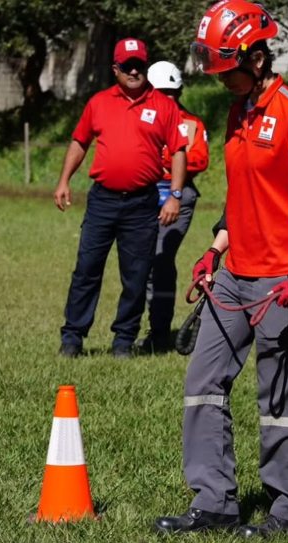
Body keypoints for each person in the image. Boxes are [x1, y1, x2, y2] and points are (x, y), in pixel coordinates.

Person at [156, 0, 288, 538]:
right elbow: (243, 196)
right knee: (203, 382)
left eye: (229, 70)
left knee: (277, 394)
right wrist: (214, 250)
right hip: (233, 275)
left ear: (257, 58)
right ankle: (213, 503)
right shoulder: (238, 111)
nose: (223, 81)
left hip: (280, 278)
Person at [54, 38, 188, 358]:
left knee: (136, 276)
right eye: (126, 65)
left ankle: (123, 341)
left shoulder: (164, 106)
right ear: (115, 69)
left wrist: (175, 196)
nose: (133, 71)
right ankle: (73, 338)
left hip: (142, 203)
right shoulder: (98, 103)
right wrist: (63, 181)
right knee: (87, 269)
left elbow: (179, 152)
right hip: (102, 201)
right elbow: (79, 142)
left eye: (138, 64)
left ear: (146, 66)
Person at [140, 60, 210, 353]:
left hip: (178, 195)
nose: (169, 98)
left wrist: (168, 159)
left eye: (173, 91)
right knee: (140, 264)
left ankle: (159, 333)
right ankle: (137, 331)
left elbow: (199, 160)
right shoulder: (142, 118)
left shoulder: (192, 123)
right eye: (162, 91)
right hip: (142, 193)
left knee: (160, 260)